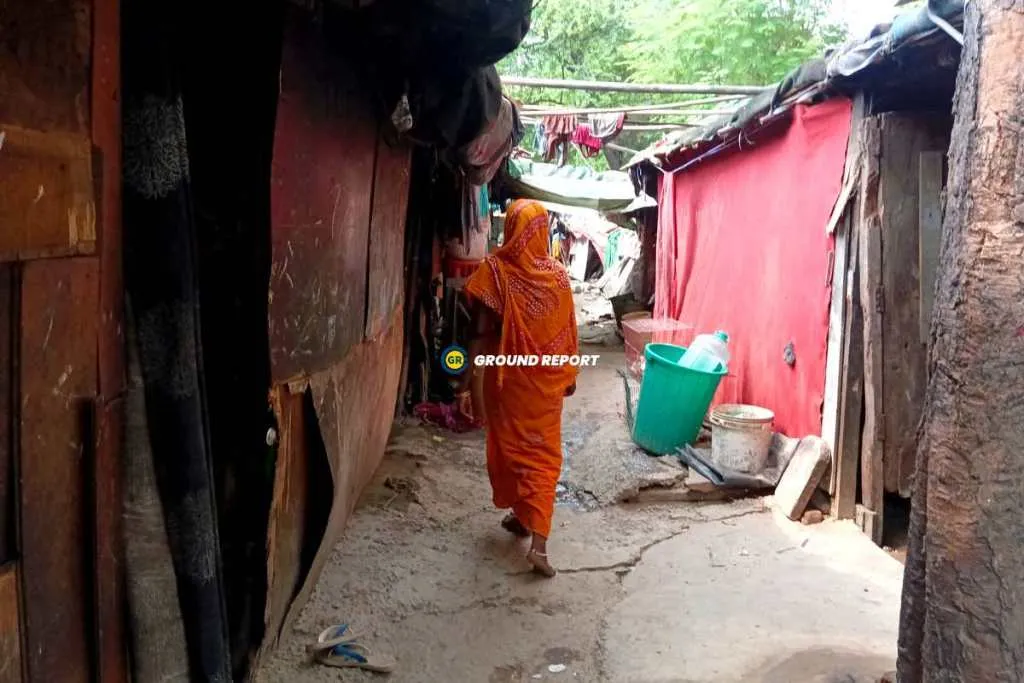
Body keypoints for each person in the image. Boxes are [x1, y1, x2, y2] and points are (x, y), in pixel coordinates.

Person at [456, 199, 579, 578]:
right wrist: (569, 375)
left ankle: (525, 519)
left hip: (506, 382)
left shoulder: (495, 271)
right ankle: (534, 538)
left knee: (511, 451)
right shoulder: (557, 277)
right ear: (542, 231)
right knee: (542, 457)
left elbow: (477, 337)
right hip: (545, 386)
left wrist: (466, 387)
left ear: (510, 228)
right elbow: (569, 334)